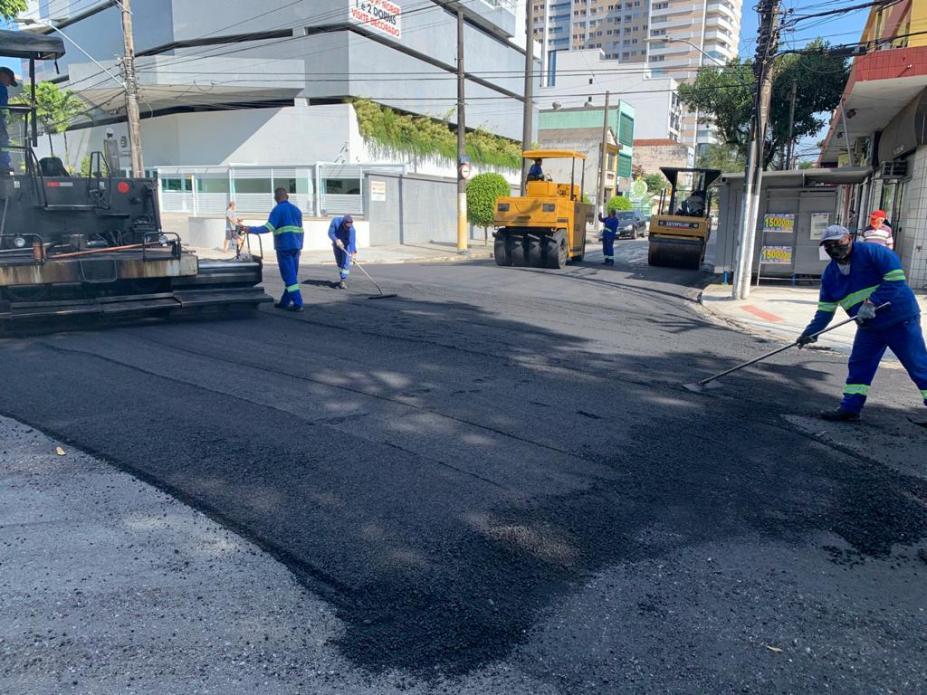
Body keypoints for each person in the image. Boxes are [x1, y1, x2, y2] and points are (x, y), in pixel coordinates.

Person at [797, 224, 926, 422]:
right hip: (869, 327)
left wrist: (872, 302)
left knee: (917, 365)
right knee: (859, 364)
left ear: (849, 238)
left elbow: (896, 280)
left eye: (838, 242)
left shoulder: (874, 252)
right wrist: (811, 332)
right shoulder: (830, 276)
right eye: (828, 245)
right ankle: (850, 408)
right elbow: (825, 311)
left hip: (899, 320)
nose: (834, 248)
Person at [243, 188, 304, 312]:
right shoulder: (297, 210)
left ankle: (298, 303)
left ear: (276, 198)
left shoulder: (277, 210)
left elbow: (268, 227)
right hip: (296, 247)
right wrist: (300, 246)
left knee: (289, 276)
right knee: (292, 275)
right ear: (287, 196)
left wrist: (250, 229)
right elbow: (301, 230)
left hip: (284, 247)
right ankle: (285, 302)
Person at [328, 214, 356, 289]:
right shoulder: (335, 221)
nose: (347, 229)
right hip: (337, 244)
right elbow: (330, 233)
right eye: (346, 227)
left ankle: (343, 280)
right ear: (343, 223)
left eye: (349, 227)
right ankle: (341, 277)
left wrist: (353, 254)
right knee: (339, 263)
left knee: (346, 263)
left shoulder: (352, 230)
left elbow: (352, 242)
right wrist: (336, 240)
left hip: (346, 246)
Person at [0, 67, 17, 175]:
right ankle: (3, 165)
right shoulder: (1, 88)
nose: (8, 85)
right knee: (3, 141)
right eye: (9, 81)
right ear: (3, 75)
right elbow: (2, 107)